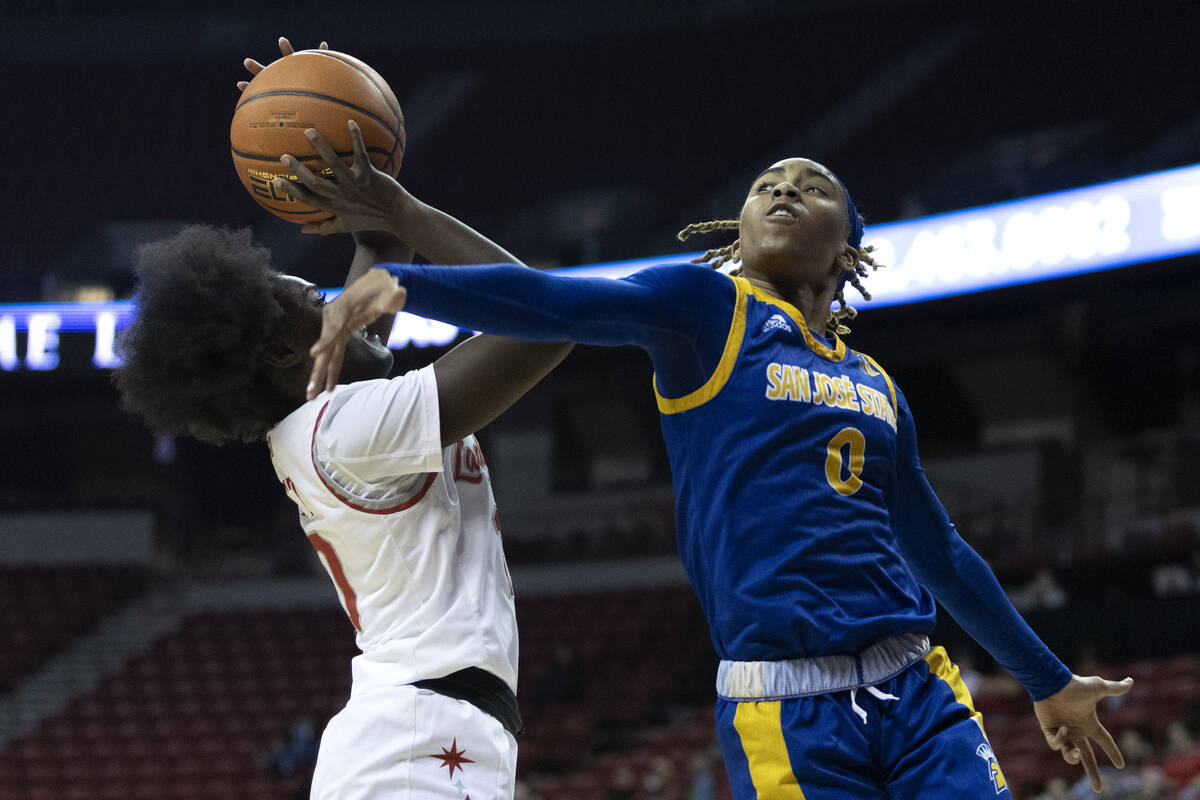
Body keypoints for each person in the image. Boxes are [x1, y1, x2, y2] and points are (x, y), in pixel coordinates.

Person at [289, 120, 1134, 796]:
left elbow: (940, 552)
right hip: (786, 705)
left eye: (812, 186)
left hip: (917, 686)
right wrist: (409, 277)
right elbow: (557, 301)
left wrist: (1047, 678)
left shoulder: (875, 382)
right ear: (739, 224)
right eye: (767, 183)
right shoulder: (704, 309)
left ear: (849, 251)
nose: (783, 190)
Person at [113, 39, 572, 800]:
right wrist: (405, 208)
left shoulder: (320, 414)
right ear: (281, 356)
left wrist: (314, 126)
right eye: (313, 304)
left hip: (421, 733)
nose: (342, 304)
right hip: (420, 741)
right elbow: (549, 322)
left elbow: (383, 241)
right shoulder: (345, 431)